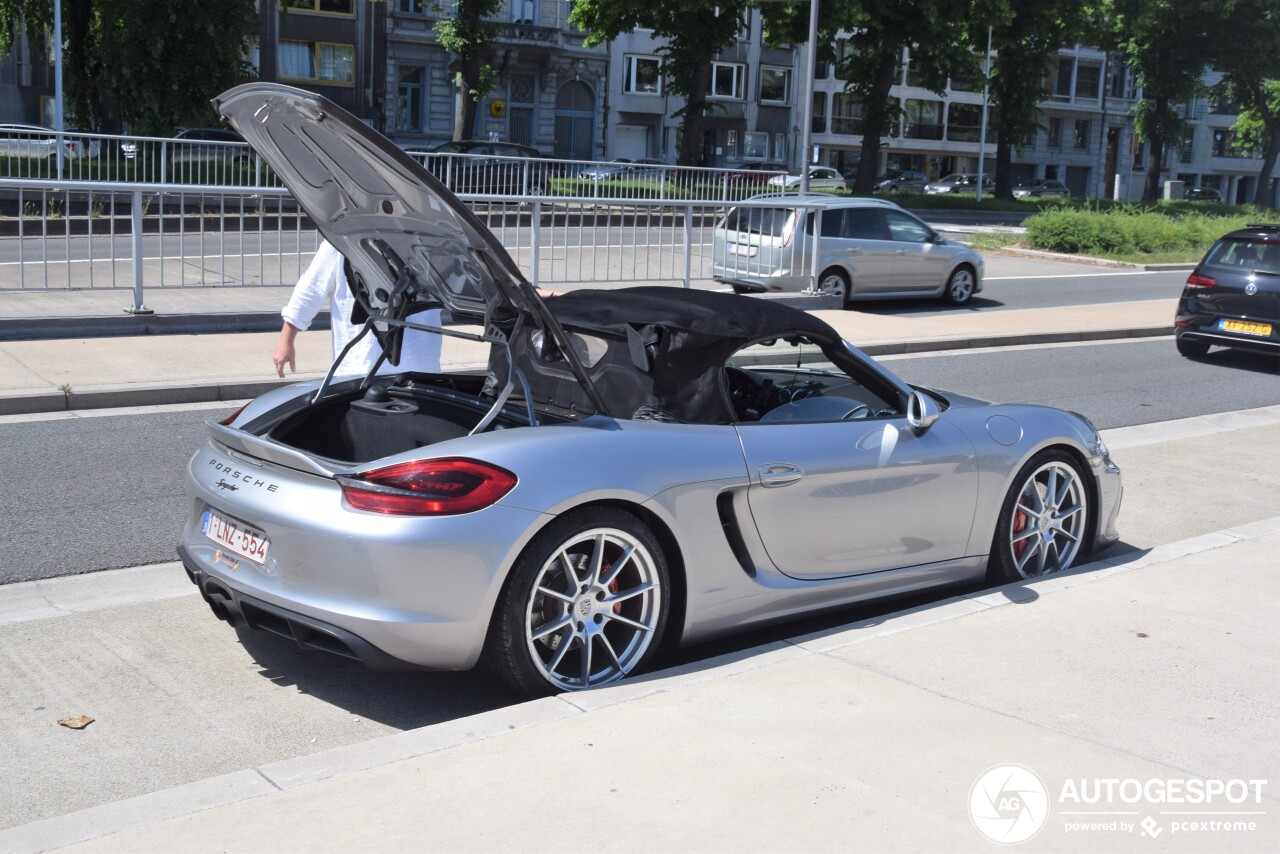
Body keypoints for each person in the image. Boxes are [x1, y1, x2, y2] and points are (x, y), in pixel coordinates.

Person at [273, 240, 443, 378]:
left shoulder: (425, 236)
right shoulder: (341, 239)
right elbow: (311, 290)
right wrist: (285, 341)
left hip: (420, 365)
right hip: (362, 367)